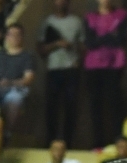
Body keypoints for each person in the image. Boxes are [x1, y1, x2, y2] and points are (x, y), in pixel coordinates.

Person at [84, 0, 127, 149]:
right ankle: (98, 143)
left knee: (114, 104)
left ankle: (118, 142)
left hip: (114, 65)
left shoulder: (122, 16)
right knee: (95, 105)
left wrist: (100, 38)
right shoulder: (89, 17)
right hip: (93, 65)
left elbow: (120, 39)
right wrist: (109, 36)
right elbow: (90, 43)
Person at [38, 0, 83, 144]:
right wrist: (57, 44)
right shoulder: (47, 22)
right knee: (51, 108)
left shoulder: (77, 22)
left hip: (72, 69)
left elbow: (83, 46)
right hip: (53, 69)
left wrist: (78, 57)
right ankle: (51, 142)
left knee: (71, 107)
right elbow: (41, 50)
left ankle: (68, 142)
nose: (60, 2)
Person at [0, 24, 35, 128]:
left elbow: (28, 79)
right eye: (11, 35)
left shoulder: (27, 56)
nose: (15, 37)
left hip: (15, 89)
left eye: (18, 35)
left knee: (14, 98)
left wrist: (10, 83)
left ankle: (8, 130)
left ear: (22, 37)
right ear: (6, 37)